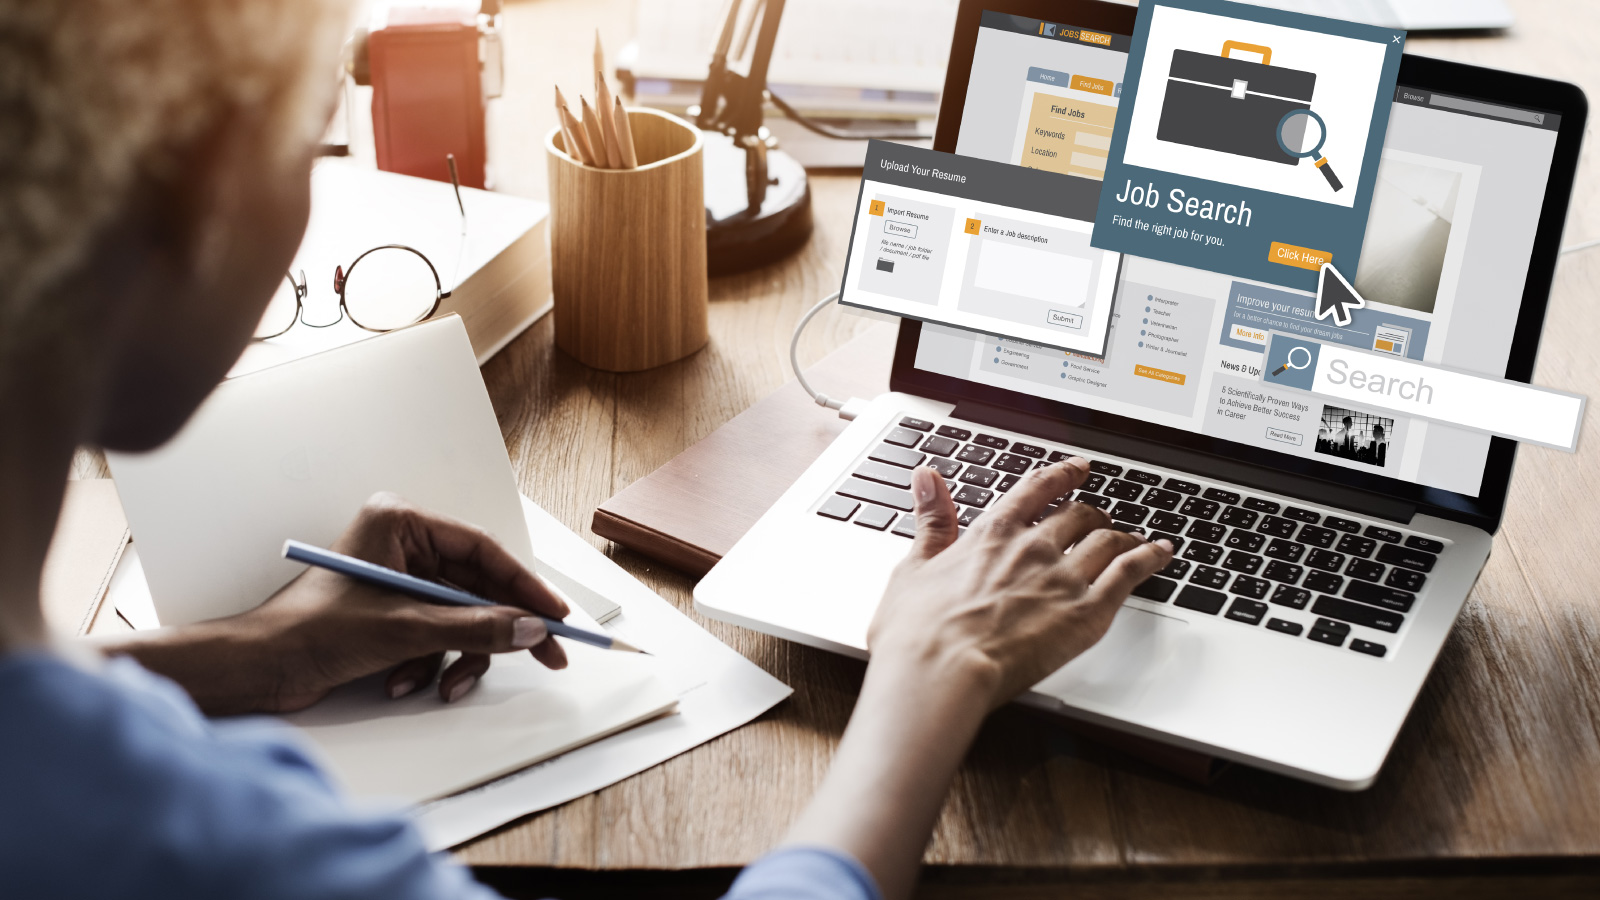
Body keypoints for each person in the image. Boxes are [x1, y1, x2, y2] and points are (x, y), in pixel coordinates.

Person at [0, 2, 1172, 898]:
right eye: (313, 148)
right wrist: (932, 673)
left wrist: (243, 655)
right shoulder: (224, 850)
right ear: (191, 202)